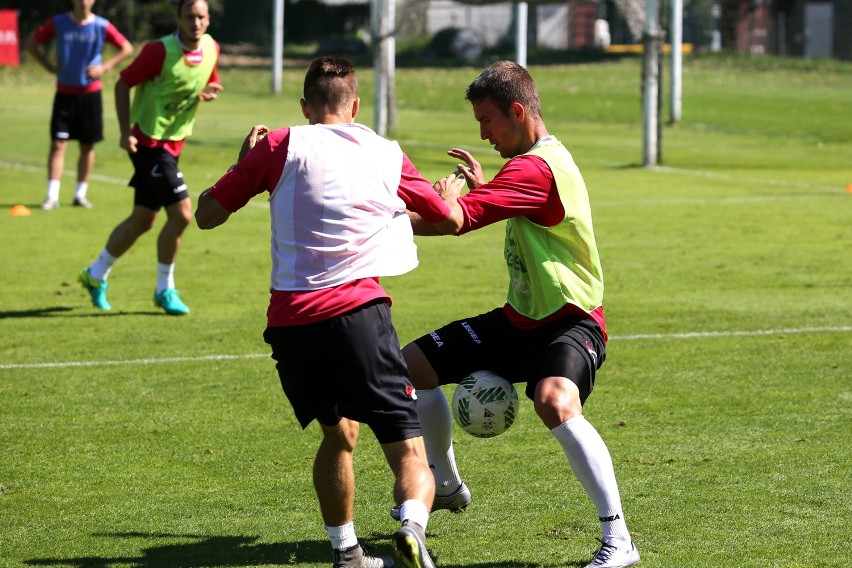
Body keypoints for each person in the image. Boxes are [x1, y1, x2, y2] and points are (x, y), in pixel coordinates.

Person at [195, 57, 459, 568]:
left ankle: (347, 552)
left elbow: (206, 216)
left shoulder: (278, 144)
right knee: (407, 449)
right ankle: (412, 528)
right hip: (360, 315)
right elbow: (447, 220)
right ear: (356, 106)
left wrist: (240, 163)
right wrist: (447, 196)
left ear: (304, 108)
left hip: (291, 323)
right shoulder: (385, 152)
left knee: (339, 434)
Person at [401, 61, 641, 568]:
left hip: (571, 320)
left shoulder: (534, 168)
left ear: (518, 111)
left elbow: (454, 221)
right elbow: (503, 205)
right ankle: (444, 483)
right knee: (411, 367)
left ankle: (619, 540)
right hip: (521, 320)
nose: (483, 133)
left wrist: (417, 201)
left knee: (554, 401)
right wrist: (479, 191)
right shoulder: (534, 162)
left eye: (488, 121)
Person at [78, 0, 222, 315]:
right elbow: (122, 84)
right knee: (182, 214)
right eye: (189, 17)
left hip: (174, 144)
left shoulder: (212, 48)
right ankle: (164, 289)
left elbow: (208, 76)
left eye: (201, 17)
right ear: (179, 19)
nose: (195, 23)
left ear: (208, 20)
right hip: (148, 142)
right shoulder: (158, 51)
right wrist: (123, 131)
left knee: (143, 219)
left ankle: (95, 274)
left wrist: (208, 89)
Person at [26, 0, 133, 210]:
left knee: (87, 145)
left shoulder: (101, 25)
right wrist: (48, 66)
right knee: (58, 144)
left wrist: (105, 67)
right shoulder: (59, 22)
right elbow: (31, 44)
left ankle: (80, 194)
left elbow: (126, 47)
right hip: (64, 93)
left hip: (90, 95)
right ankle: (51, 196)